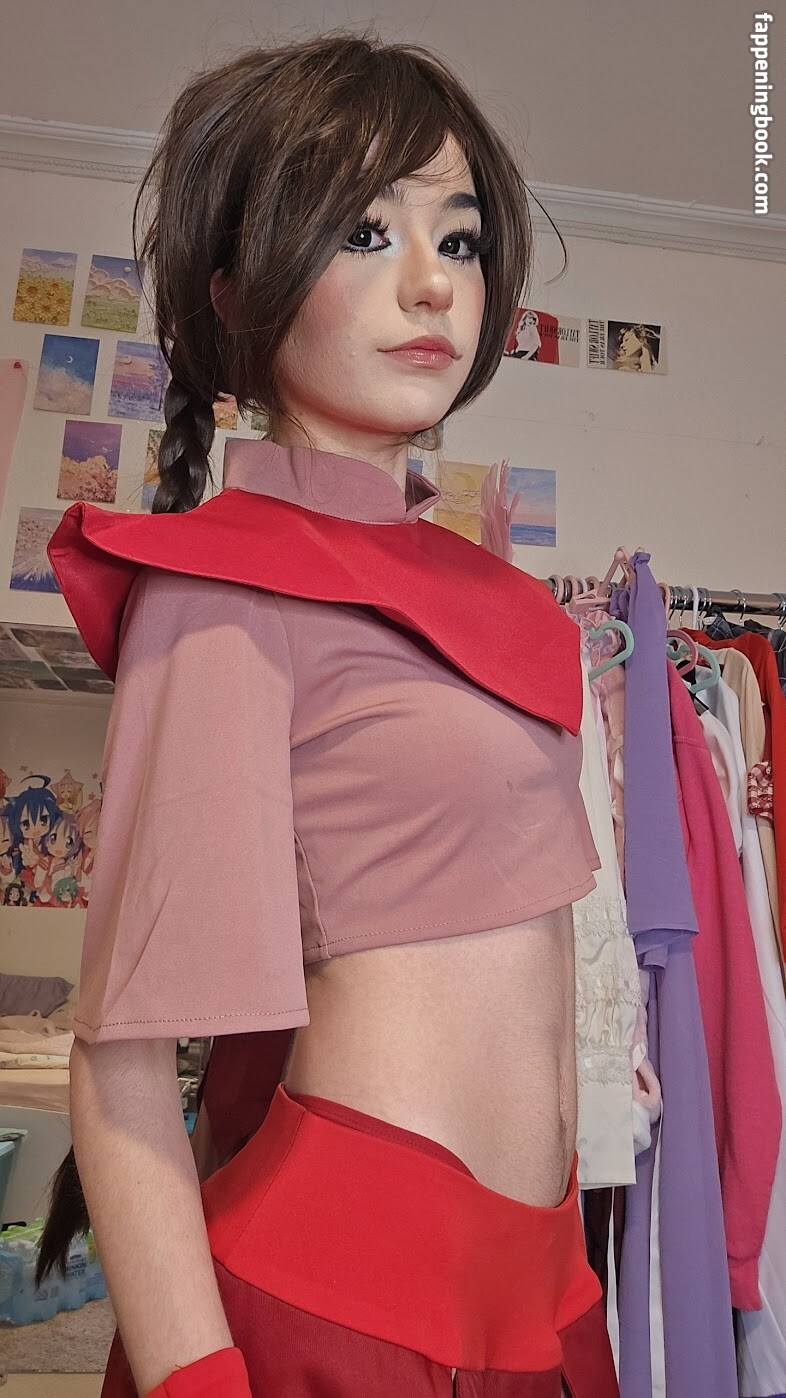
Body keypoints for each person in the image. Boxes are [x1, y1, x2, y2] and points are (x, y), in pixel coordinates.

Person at [35, 29, 619, 1398]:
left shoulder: (502, 601)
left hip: (546, 1300)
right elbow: (123, 1069)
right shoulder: (225, 587)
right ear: (242, 291)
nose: (433, 282)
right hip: (339, 1310)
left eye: (458, 239)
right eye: (365, 232)